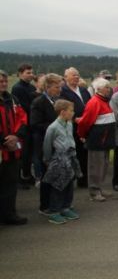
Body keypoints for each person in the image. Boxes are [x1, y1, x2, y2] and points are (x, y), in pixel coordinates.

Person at [76, 78, 116, 201]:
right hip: (97, 140)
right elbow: (85, 122)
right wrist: (82, 135)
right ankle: (94, 191)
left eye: (109, 87)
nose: (109, 89)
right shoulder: (94, 102)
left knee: (103, 166)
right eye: (106, 87)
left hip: (105, 140)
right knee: (95, 167)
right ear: (98, 89)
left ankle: (99, 187)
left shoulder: (104, 101)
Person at [42, 100, 81, 224]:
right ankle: (54, 211)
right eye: (71, 110)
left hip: (70, 157)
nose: (73, 113)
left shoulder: (69, 124)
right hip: (59, 159)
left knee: (69, 183)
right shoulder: (53, 127)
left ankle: (66, 207)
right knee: (58, 185)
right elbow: (47, 144)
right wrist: (47, 159)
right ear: (63, 112)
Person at [31, 73, 63, 214]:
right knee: (47, 176)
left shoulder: (58, 101)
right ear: (48, 87)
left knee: (58, 175)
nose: (59, 90)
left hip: (59, 144)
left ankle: (57, 202)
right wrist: (56, 127)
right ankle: (45, 206)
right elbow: (35, 124)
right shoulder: (39, 102)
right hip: (45, 144)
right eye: (57, 87)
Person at [0, 69, 28, 225]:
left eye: (5, 81)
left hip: (13, 149)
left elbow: (23, 118)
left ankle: (9, 214)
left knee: (10, 184)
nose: (3, 84)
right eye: (0, 82)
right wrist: (5, 140)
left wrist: (16, 136)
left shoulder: (13, 99)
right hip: (2, 148)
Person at [60, 67, 92, 188]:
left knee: (85, 154)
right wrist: (74, 119)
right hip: (71, 127)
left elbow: (90, 105)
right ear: (65, 77)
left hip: (86, 127)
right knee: (74, 154)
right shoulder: (63, 91)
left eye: (77, 75)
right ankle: (71, 178)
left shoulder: (84, 90)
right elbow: (61, 109)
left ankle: (83, 180)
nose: (76, 77)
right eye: (73, 75)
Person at [11, 63, 36, 187]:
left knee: (29, 152)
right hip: (24, 124)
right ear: (20, 74)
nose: (31, 75)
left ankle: (27, 174)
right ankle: (21, 178)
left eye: (32, 72)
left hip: (32, 123)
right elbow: (24, 107)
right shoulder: (18, 88)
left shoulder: (31, 87)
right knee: (24, 152)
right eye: (28, 73)